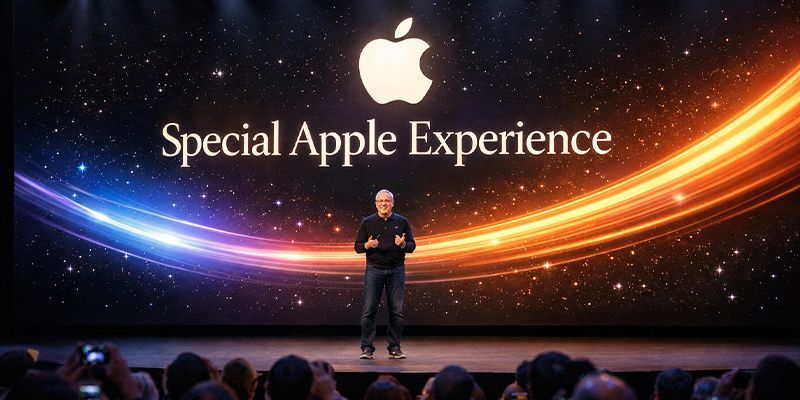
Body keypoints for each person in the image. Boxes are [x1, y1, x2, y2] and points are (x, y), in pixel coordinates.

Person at [354, 189, 416, 360]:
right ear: (376, 204)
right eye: (380, 201)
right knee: (369, 310)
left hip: (396, 270)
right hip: (374, 270)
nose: (383, 203)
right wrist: (367, 245)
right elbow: (357, 247)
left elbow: (412, 246)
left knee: (396, 311)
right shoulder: (367, 222)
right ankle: (367, 348)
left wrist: (403, 244)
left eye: (387, 201)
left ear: (392, 203)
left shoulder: (402, 221)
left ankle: (394, 348)